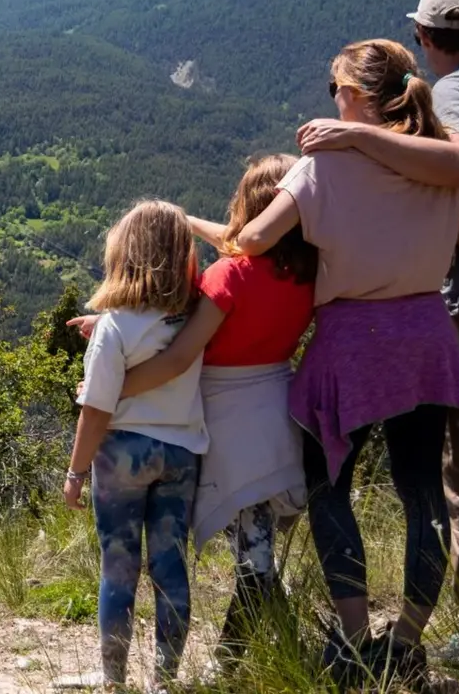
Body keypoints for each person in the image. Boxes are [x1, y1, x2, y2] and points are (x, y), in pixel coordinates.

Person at [237, 38, 459, 684]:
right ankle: (407, 640)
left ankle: (355, 640)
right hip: (426, 340)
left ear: (351, 96)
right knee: (422, 491)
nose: (332, 100)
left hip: (349, 344)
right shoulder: (442, 172)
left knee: (329, 487)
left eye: (335, 90)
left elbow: (253, 239)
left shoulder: (321, 168)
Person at [101, 155, 317, 671]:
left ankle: (230, 662)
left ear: (249, 206)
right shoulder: (309, 274)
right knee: (257, 544)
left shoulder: (229, 275)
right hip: (280, 409)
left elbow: (178, 357)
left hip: (229, 417)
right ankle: (270, 652)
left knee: (253, 556)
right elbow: (243, 243)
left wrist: (110, 392)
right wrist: (187, 220)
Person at [62, 199, 208, 690]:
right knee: (170, 567)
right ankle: (165, 680)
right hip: (182, 452)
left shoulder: (114, 326)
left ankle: (114, 681)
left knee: (118, 571)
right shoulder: (193, 319)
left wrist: (75, 473)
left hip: (122, 454)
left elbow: (96, 409)